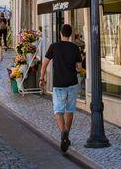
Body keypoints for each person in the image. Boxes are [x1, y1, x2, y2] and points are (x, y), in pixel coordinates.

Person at [40, 23, 83, 154]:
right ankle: (67, 135)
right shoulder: (75, 48)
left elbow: (44, 63)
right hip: (72, 83)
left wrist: (42, 78)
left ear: (60, 33)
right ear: (70, 34)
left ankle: (63, 132)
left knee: (58, 110)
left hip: (59, 84)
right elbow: (79, 68)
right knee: (69, 110)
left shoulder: (54, 47)